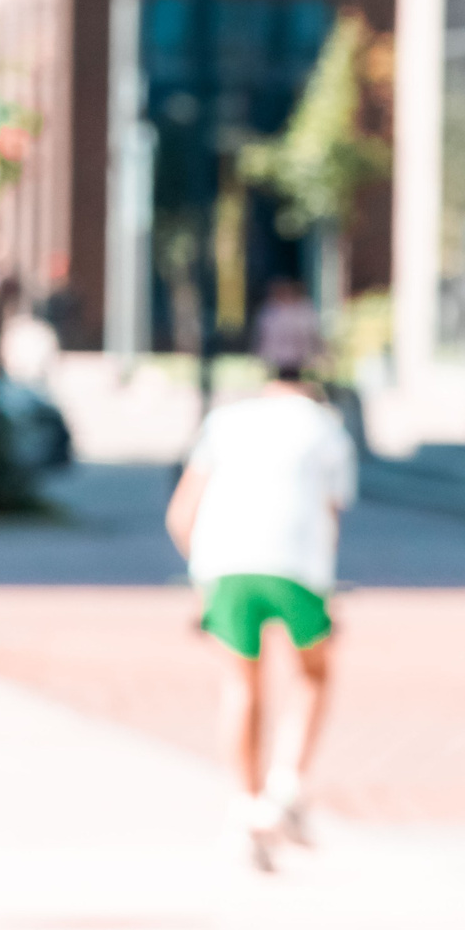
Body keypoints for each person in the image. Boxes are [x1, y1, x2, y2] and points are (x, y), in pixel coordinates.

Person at [164, 364, 358, 868]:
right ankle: (288, 786)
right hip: (297, 563)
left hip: (224, 565)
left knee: (241, 684)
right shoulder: (328, 429)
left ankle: (249, 808)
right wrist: (326, 590)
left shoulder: (225, 421)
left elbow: (181, 514)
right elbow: (330, 515)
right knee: (314, 672)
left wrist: (201, 581)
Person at [251, 276, 325, 376]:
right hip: (277, 360)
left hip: (299, 359)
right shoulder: (270, 311)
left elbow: (312, 334)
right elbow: (263, 335)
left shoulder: (304, 310)